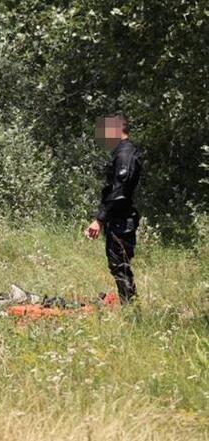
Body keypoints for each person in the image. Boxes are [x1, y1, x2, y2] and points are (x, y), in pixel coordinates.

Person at [86, 115, 141, 303]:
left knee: (120, 266)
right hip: (118, 219)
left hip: (121, 220)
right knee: (118, 265)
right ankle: (129, 305)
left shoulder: (125, 154)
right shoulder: (122, 152)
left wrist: (99, 219)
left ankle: (130, 307)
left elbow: (119, 192)